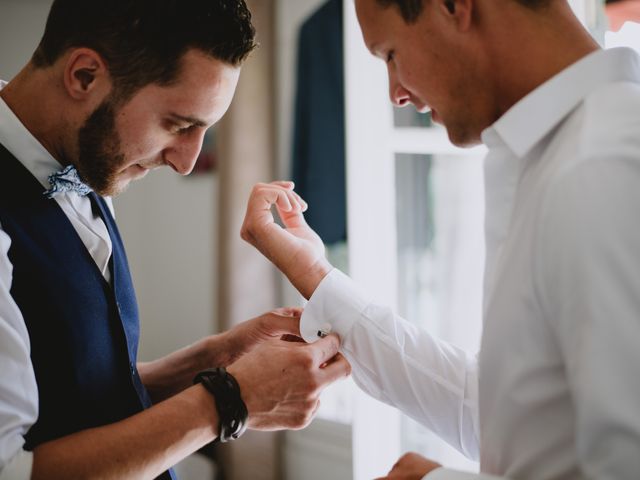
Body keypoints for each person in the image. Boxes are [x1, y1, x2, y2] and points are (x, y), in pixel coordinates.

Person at [241, 0, 640, 479]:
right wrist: (316, 275)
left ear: (453, 6)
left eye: (389, 53)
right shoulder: (549, 157)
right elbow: (508, 417)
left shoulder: (604, 166)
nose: (395, 94)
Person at [0, 1, 350, 479]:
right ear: (84, 76)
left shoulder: (85, 163)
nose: (187, 162)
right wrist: (229, 400)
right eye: (180, 124)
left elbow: (73, 396)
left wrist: (214, 360)